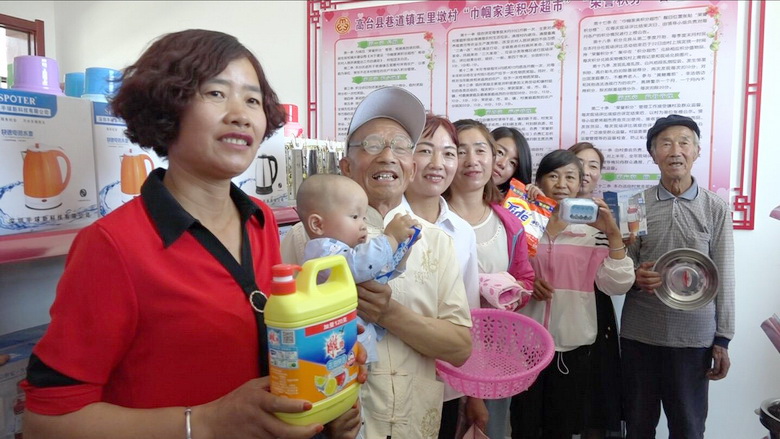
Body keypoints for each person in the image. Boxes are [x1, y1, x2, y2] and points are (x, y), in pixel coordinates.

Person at [21, 29, 365, 439]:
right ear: (168, 107)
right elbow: (46, 421)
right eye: (216, 93)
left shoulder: (259, 219)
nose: (240, 114)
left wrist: (322, 357)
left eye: (252, 100)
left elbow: (267, 342)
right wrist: (205, 422)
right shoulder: (113, 245)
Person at [281, 87, 473, 438]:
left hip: (414, 423)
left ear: (411, 167)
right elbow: (284, 338)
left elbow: (459, 348)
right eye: (371, 145)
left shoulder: (436, 241)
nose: (387, 156)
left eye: (400, 146)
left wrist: (389, 314)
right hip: (336, 420)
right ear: (346, 166)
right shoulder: (303, 237)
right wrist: (325, 412)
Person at [621, 114, 735, 439]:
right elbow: (622, 263)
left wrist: (723, 339)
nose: (675, 151)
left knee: (688, 428)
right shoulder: (634, 204)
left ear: (697, 151)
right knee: (638, 426)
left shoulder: (715, 207)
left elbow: (725, 273)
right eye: (666, 143)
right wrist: (634, 276)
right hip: (640, 335)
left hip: (694, 339)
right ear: (653, 153)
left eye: (684, 143)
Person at [511, 149, 635, 439]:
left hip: (572, 346)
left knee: (562, 429)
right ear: (539, 181)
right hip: (525, 343)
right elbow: (501, 271)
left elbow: (615, 285)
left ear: (581, 184)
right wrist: (526, 284)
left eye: (570, 177)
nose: (561, 184)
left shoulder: (593, 231)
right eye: (553, 176)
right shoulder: (523, 222)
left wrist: (613, 234)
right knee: (522, 426)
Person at [445, 118, 535, 439]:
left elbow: (526, 281)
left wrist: (505, 291)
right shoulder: (432, 219)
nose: (472, 160)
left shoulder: (510, 223)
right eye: (460, 151)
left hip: (494, 356)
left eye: (481, 150)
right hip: (442, 354)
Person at [402, 114, 480, 439]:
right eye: (425, 150)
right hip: (392, 381)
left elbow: (469, 315)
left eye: (449, 153)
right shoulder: (379, 225)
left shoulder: (462, 232)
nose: (438, 164)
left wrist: (473, 393)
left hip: (445, 384)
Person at [296, 173, 420, 364]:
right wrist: (391, 239)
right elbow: (358, 266)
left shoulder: (350, 253)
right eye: (354, 217)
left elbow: (380, 274)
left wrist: (403, 247)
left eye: (363, 218)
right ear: (317, 224)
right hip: (337, 349)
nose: (363, 226)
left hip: (356, 347)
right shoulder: (322, 252)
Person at [567, 142, 623, 439]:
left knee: (597, 393)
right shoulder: (546, 211)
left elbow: (619, 269)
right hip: (556, 309)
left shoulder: (609, 214)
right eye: (579, 164)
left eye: (593, 166)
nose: (586, 172)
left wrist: (613, 233)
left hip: (596, 309)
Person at [491, 126, 533, 193]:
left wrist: (536, 198)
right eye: (500, 152)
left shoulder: (512, 199)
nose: (503, 164)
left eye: (512, 163)